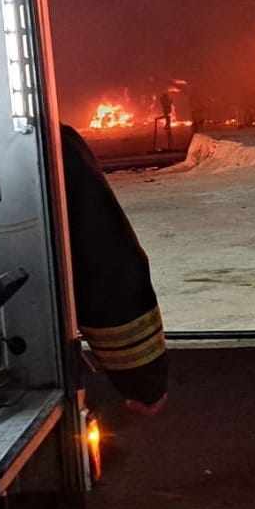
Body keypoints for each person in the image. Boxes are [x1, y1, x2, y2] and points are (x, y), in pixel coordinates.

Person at [60, 122, 168, 413]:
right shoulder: (51, 144)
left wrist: (144, 380)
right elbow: (106, 259)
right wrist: (144, 381)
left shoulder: (46, 143)